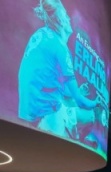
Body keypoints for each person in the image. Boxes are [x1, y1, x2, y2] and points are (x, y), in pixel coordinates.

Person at [18, 0, 104, 142]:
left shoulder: (40, 34)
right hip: (45, 117)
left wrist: (77, 92)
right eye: (65, 15)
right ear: (60, 21)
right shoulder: (61, 49)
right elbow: (81, 102)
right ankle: (73, 138)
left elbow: (53, 87)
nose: (69, 18)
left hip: (27, 115)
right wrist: (96, 103)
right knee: (89, 116)